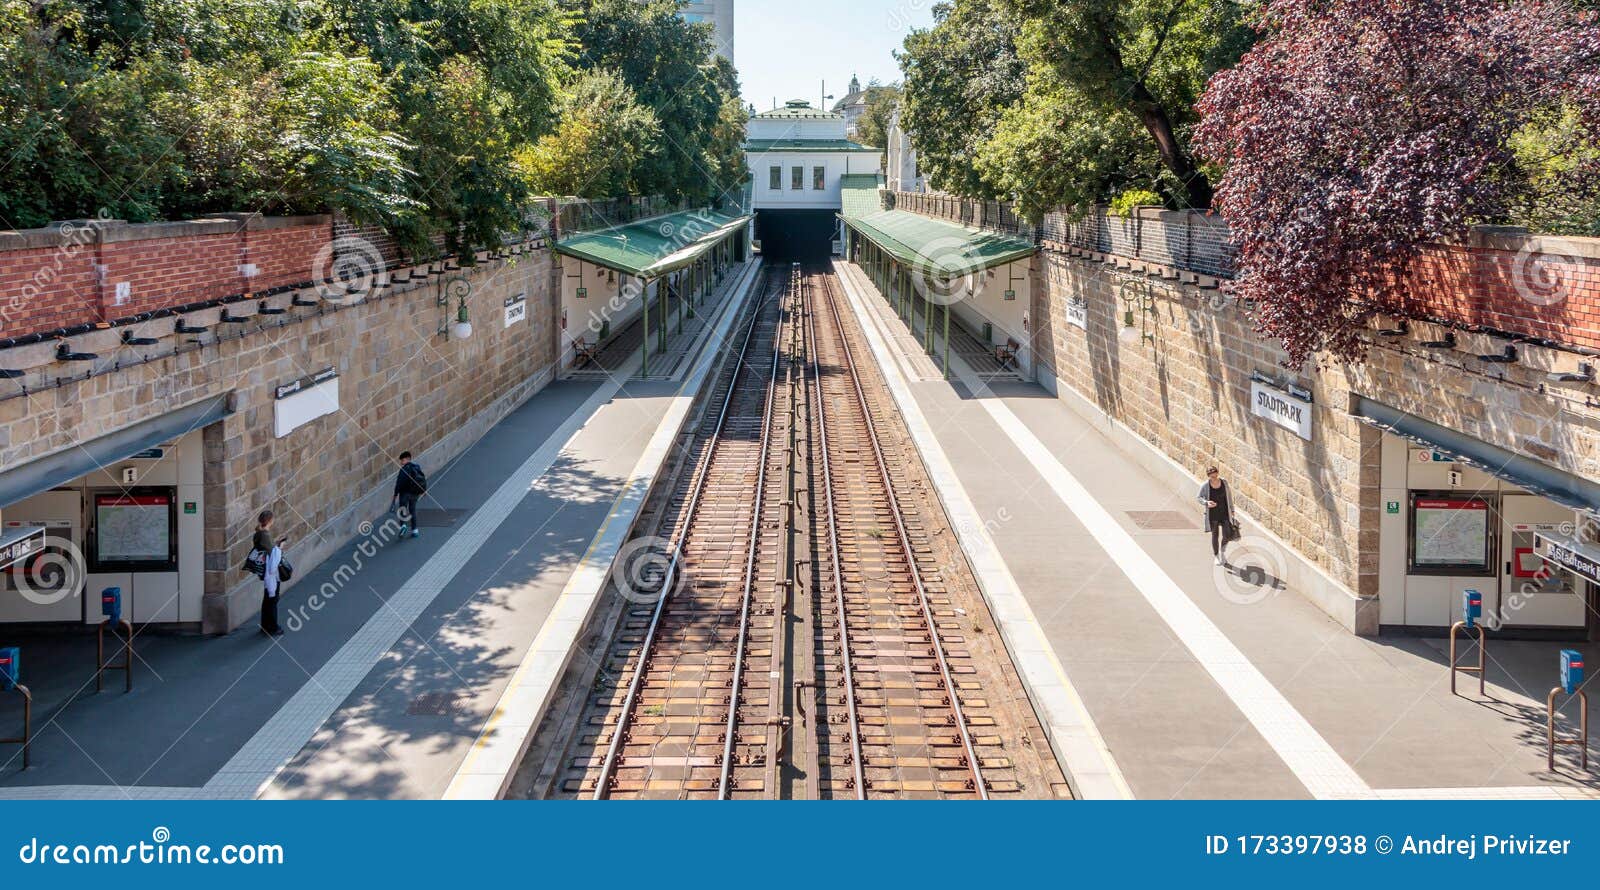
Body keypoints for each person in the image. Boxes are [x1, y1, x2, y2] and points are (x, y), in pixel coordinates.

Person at [1196, 466, 1238, 567]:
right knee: (1215, 535)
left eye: (1215, 475)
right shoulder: (1205, 485)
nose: (1213, 477)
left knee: (1227, 535)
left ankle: (1222, 552)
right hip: (1213, 514)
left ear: (1217, 473)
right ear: (1209, 476)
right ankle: (1216, 555)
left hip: (1224, 513)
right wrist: (1207, 502)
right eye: (1211, 476)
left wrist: (1232, 509)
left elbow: (1229, 496)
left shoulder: (1224, 482)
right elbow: (1198, 497)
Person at [254, 510, 287, 635]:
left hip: (266, 570)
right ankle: (272, 627)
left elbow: (268, 549)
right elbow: (273, 555)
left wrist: (276, 544)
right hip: (270, 573)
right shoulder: (265, 535)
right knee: (272, 599)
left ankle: (265, 625)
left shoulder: (259, 534)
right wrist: (280, 547)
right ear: (270, 521)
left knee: (267, 599)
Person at [391, 451, 426, 539]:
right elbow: (422, 479)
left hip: (405, 494)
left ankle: (403, 526)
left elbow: (399, 483)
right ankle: (415, 530)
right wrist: (423, 490)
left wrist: (395, 494)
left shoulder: (404, 470)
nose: (401, 462)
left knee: (402, 510)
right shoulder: (417, 467)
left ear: (407, 459)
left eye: (402, 460)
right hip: (415, 494)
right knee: (412, 511)